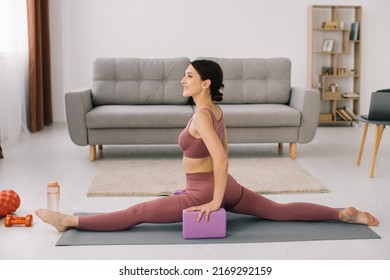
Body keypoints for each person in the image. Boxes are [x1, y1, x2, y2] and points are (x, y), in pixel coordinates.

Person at [35, 60, 379, 232]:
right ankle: (343, 214)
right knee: (279, 210)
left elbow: (221, 159)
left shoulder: (201, 116)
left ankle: (69, 221)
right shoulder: (214, 110)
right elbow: (222, 154)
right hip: (224, 189)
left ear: (205, 83)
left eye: (188, 76)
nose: (182, 80)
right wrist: (221, 193)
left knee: (137, 214)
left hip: (204, 193)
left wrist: (213, 201)